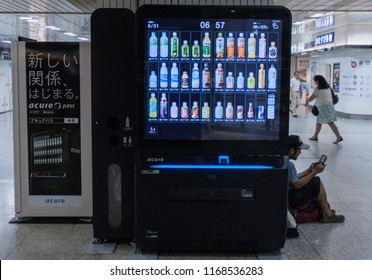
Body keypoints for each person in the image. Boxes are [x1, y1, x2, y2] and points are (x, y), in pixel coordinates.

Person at [288, 135, 345, 223]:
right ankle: (327, 215)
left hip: (285, 196)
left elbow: (292, 178)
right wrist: (314, 172)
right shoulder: (289, 164)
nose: (300, 152)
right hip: (290, 198)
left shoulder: (282, 161)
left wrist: (309, 171)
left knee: (314, 180)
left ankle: (325, 211)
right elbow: (297, 184)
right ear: (292, 150)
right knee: (316, 182)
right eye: (299, 150)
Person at [308, 75, 343, 144]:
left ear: (317, 81)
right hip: (329, 106)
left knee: (330, 122)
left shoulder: (318, 88)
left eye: (314, 81)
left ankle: (339, 137)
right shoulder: (328, 86)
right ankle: (315, 136)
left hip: (323, 107)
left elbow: (311, 98)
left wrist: (307, 100)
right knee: (319, 122)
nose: (314, 82)